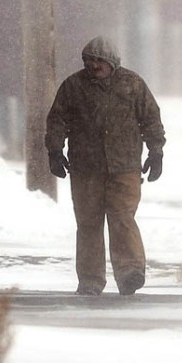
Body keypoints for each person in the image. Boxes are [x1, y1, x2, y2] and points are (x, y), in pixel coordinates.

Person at [45, 36, 166, 296]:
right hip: (85, 169)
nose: (94, 65)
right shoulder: (73, 87)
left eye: (100, 60)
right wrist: (55, 151)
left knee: (122, 218)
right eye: (89, 60)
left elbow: (151, 120)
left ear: (112, 62)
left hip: (124, 167)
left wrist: (156, 152)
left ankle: (130, 272)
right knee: (88, 223)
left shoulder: (132, 85)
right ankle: (90, 279)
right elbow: (57, 120)